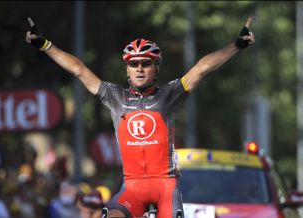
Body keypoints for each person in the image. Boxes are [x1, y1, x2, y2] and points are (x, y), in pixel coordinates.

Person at [25, 17, 255, 218]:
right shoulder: (115, 97)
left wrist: (236, 45)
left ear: (156, 68)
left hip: (165, 185)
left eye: (146, 63)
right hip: (132, 186)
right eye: (133, 64)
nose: (139, 68)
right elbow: (79, 70)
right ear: (127, 70)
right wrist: (45, 45)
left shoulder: (169, 95)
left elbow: (202, 67)